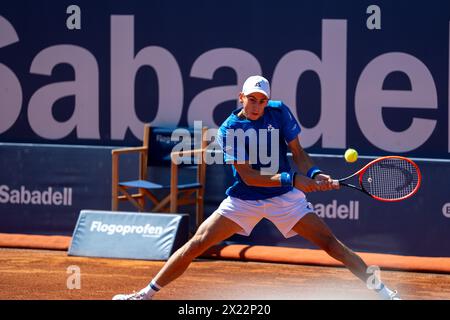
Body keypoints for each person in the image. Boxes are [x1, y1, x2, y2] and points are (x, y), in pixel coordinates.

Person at [113, 75, 400, 300]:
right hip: (245, 199)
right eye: (252, 99)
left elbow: (298, 152)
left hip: (285, 198)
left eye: (262, 101)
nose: (257, 106)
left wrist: (314, 172)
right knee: (197, 244)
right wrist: (294, 180)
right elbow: (249, 176)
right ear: (241, 98)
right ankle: (144, 295)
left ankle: (385, 294)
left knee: (331, 245)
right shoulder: (229, 129)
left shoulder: (278, 112)